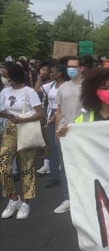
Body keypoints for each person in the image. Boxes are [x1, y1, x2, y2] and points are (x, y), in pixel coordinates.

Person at [0, 64, 45, 219]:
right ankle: (13, 199)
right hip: (10, 130)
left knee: (27, 167)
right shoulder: (5, 91)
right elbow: (4, 110)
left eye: (4, 74)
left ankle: (26, 202)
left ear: (13, 76)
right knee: (3, 166)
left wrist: (22, 119)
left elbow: (40, 114)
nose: (3, 76)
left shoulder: (29, 92)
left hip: (26, 129)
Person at [52, 56, 86, 214]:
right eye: (69, 66)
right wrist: (56, 132)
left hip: (83, 134)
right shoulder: (63, 88)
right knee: (64, 167)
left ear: (81, 68)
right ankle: (68, 199)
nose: (71, 69)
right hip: (64, 133)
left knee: (83, 166)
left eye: (74, 66)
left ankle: (83, 198)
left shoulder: (88, 87)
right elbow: (58, 111)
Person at [43, 65, 70, 188]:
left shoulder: (67, 86)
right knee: (53, 146)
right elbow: (38, 89)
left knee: (65, 148)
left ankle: (68, 173)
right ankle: (54, 176)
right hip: (51, 119)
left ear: (59, 74)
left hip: (64, 119)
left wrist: (55, 116)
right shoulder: (51, 85)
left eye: (53, 72)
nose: (50, 73)